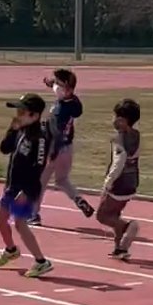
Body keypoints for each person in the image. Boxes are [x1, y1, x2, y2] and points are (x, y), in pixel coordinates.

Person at [0, 93, 54, 278]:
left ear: (34, 115)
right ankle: (11, 249)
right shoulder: (20, 129)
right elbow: (4, 149)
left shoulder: (40, 138)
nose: (17, 114)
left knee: (20, 224)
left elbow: (39, 167)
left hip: (26, 188)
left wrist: (26, 191)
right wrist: (12, 129)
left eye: (22, 111)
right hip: (12, 185)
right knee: (0, 219)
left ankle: (41, 261)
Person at [34, 67, 94, 226]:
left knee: (40, 181)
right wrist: (50, 83)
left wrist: (51, 152)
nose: (56, 88)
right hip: (68, 149)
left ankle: (33, 214)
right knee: (62, 180)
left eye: (60, 85)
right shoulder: (73, 102)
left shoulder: (61, 110)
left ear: (67, 88)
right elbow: (56, 85)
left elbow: (57, 134)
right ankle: (78, 199)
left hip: (56, 148)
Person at [95, 98, 143, 259]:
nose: (113, 120)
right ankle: (120, 248)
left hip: (119, 183)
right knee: (115, 213)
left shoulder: (118, 139)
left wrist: (108, 182)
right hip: (132, 181)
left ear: (123, 121)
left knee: (103, 215)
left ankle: (129, 226)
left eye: (116, 117)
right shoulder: (137, 135)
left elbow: (119, 161)